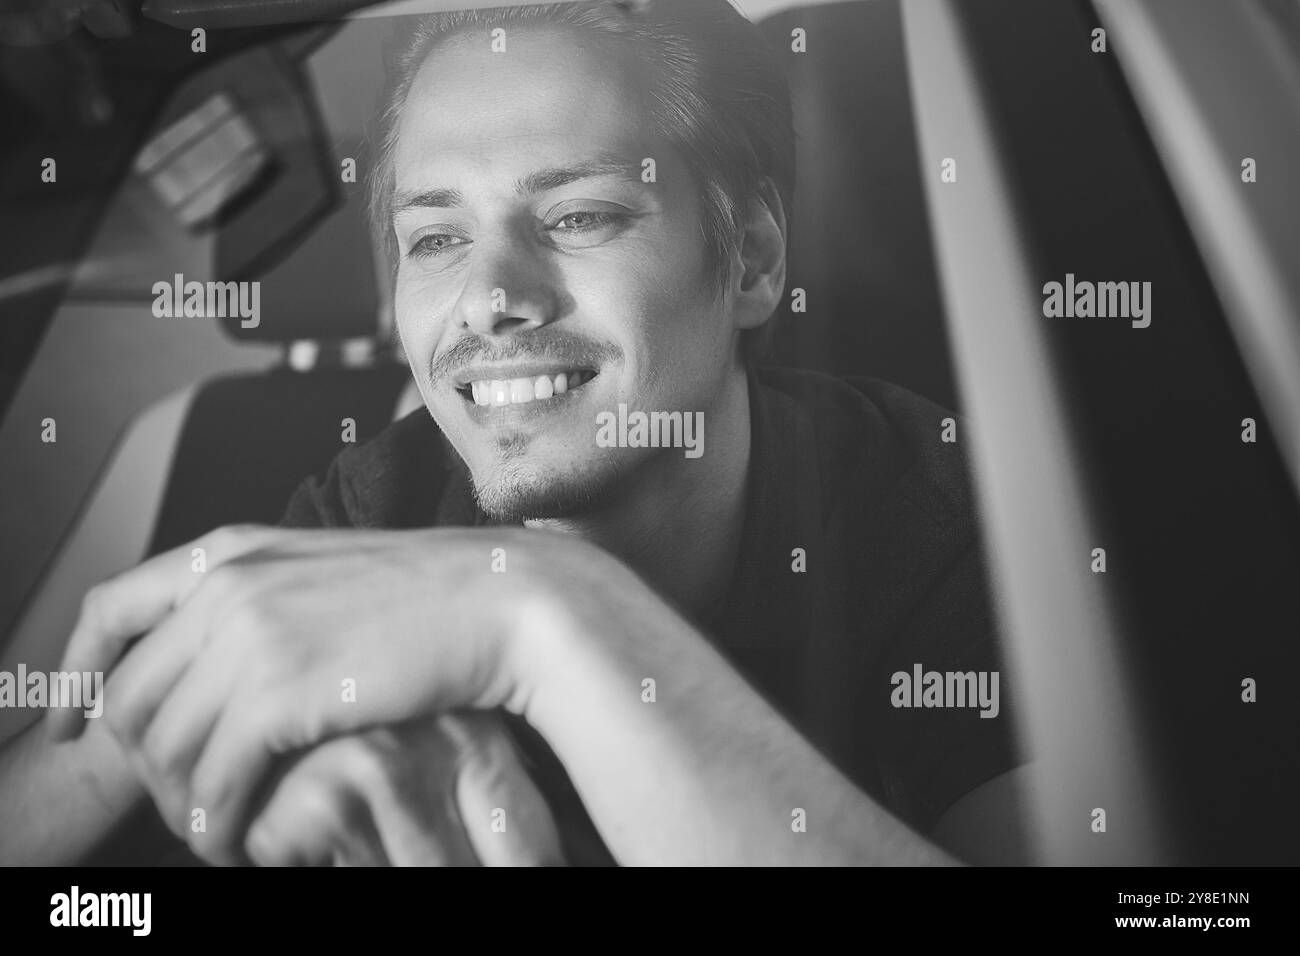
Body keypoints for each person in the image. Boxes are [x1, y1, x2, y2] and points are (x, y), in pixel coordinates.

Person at [0, 0, 1027, 866]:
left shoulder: (953, 514)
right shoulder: (371, 505)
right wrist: (163, 722)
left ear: (752, 259)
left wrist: (543, 614)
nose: (490, 298)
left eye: (580, 216)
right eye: (438, 237)